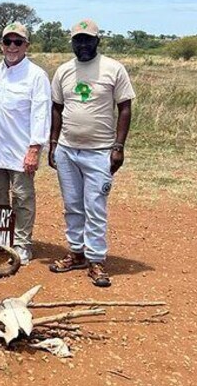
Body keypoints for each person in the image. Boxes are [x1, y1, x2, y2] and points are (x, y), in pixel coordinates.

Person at [48, 19, 135, 288]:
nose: (83, 45)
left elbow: (125, 108)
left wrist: (118, 147)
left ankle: (96, 258)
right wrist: (53, 144)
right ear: (72, 42)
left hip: (100, 152)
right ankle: (76, 252)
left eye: (88, 40)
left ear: (98, 41)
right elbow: (56, 108)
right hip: (67, 150)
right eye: (78, 40)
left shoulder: (113, 69)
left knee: (95, 206)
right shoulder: (63, 71)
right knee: (72, 205)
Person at [0, 22, 51, 266]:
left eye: (18, 42)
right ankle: (2, 239)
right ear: (1, 45)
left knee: (22, 197)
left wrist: (35, 149)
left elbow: (42, 114)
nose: (12, 47)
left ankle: (22, 244)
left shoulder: (36, 75)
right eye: (7, 42)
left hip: (21, 149)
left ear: (26, 46)